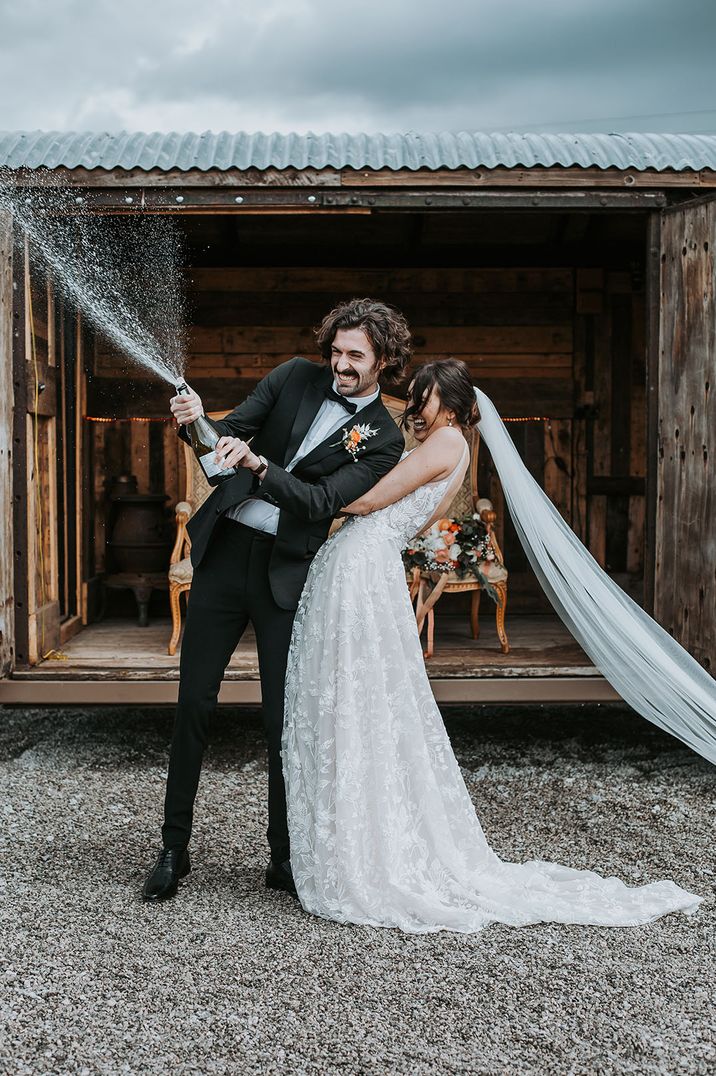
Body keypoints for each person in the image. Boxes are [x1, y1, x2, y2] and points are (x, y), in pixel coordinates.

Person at [278, 358, 702, 933]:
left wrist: (298, 486)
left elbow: (370, 500)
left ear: (448, 405)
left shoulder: (445, 442)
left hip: (360, 566)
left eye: (422, 398)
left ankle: (363, 852)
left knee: (359, 695)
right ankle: (354, 839)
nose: (414, 408)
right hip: (366, 567)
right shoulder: (456, 447)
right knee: (363, 696)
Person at [142, 299, 408, 903]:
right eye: (336, 351)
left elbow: (319, 504)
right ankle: (173, 848)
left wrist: (261, 465)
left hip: (287, 576)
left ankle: (285, 857)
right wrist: (195, 425)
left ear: (384, 361)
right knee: (193, 704)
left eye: (354, 357)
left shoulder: (385, 440)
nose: (339, 364)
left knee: (283, 721)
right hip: (226, 554)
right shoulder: (292, 375)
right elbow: (222, 454)